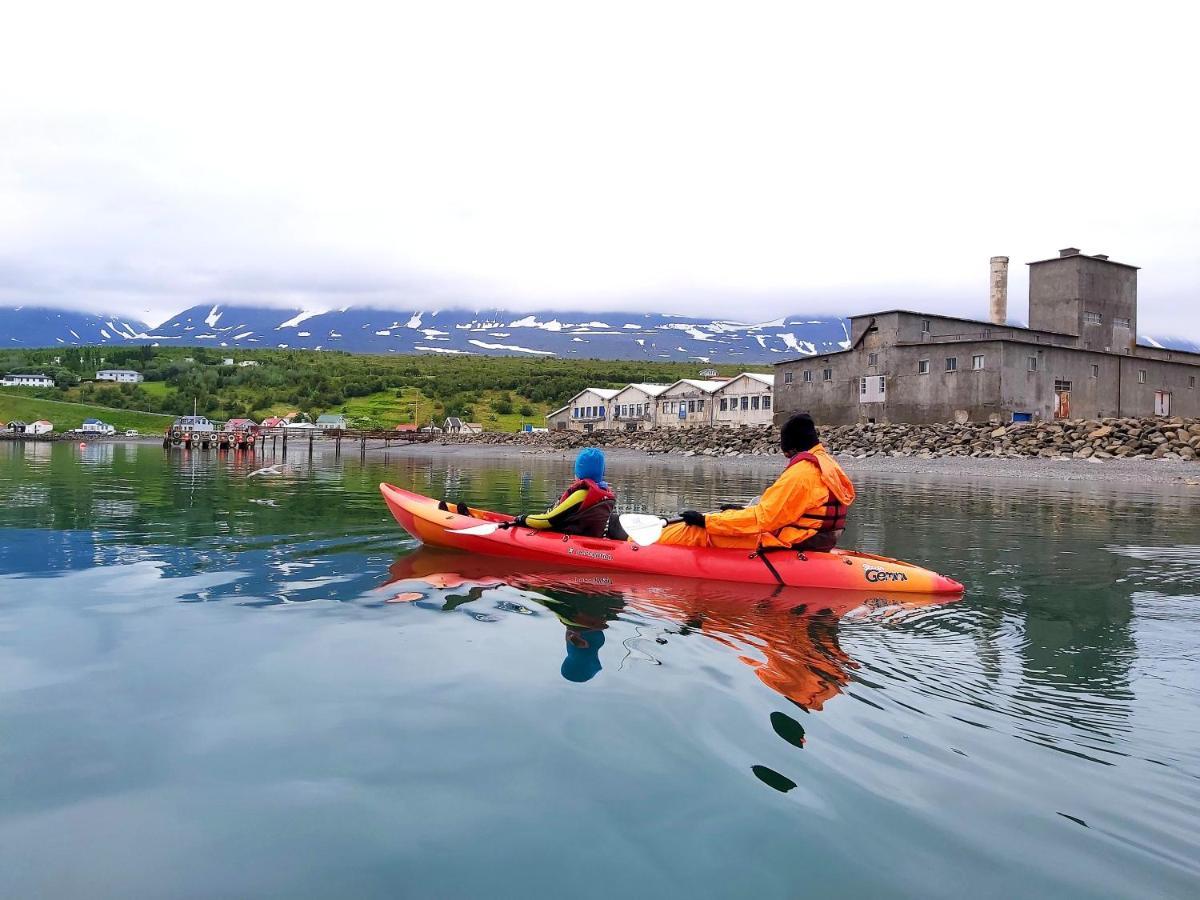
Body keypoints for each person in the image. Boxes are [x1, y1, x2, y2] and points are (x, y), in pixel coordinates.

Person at [656, 413, 855, 550]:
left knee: (695, 532)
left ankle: (632, 542)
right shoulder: (829, 464)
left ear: (792, 447)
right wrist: (740, 510)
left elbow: (763, 520)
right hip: (818, 539)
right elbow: (784, 511)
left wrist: (706, 521)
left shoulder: (802, 473)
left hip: (791, 540)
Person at [510, 447, 617, 537]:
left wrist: (523, 519)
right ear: (602, 472)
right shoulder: (604, 494)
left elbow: (547, 520)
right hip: (590, 538)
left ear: (578, 473)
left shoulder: (581, 495)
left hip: (573, 542)